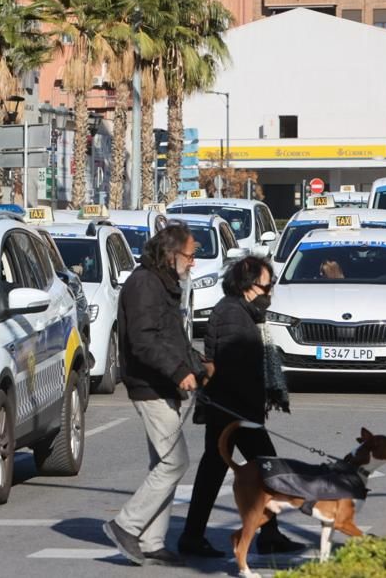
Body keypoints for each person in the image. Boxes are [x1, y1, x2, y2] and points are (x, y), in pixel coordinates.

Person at [179, 256, 304, 558]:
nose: (270, 292)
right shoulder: (234, 315)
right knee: (265, 468)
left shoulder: (243, 312)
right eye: (266, 285)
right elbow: (233, 367)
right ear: (248, 286)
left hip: (234, 408)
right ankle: (199, 537)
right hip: (233, 410)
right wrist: (249, 411)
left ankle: (200, 535)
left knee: (224, 469)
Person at [103, 223, 210, 568]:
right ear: (171, 253)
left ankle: (151, 540)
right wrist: (181, 371)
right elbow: (145, 340)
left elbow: (173, 336)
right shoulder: (145, 284)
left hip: (166, 385)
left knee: (163, 463)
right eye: (191, 255)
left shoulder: (162, 282)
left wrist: (197, 366)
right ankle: (126, 526)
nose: (194, 262)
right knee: (174, 462)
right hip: (151, 387)